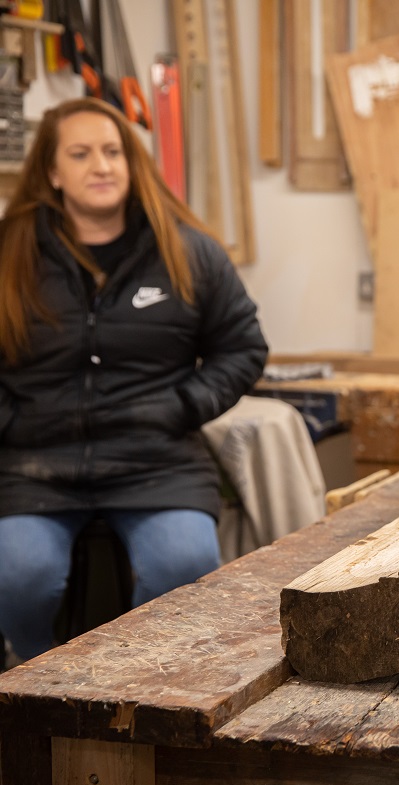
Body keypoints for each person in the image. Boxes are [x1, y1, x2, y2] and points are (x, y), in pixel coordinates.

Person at [0, 98, 268, 662]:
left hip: (157, 462)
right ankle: (29, 683)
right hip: (33, 467)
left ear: (131, 161)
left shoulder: (189, 252)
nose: (101, 166)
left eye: (112, 151)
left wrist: (182, 405)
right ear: (52, 172)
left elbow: (242, 347)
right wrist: (12, 420)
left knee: (185, 568)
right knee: (19, 575)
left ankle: (138, 688)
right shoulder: (9, 254)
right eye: (80, 154)